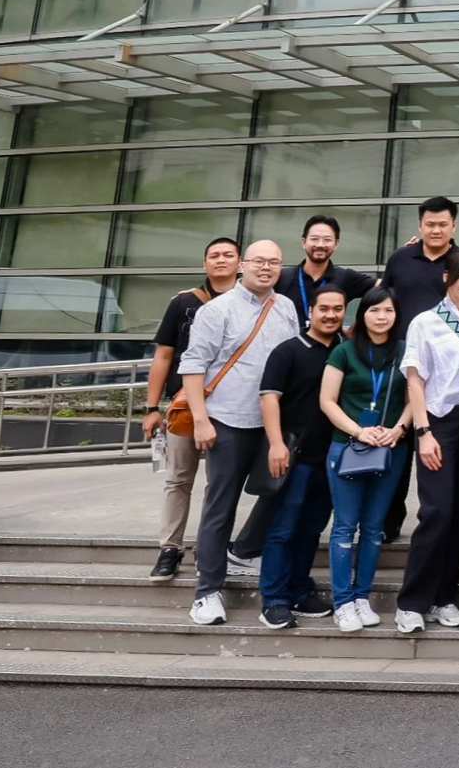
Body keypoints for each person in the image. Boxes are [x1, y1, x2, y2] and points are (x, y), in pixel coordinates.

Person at [178, 239, 299, 625]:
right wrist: (200, 420)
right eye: (259, 261)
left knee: (280, 492)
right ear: (243, 264)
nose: (266, 268)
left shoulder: (287, 307)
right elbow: (193, 365)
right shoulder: (217, 310)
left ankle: (245, 548)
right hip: (227, 421)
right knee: (220, 506)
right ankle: (207, 591)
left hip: (273, 424)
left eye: (274, 263)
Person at [395, 247, 459, 634]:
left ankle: (443, 597)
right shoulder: (426, 322)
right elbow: (415, 379)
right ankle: (411, 601)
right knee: (437, 512)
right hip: (440, 422)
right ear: (446, 278)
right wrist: (423, 431)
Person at [144, 236, 238, 582]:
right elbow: (164, 356)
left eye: (228, 255)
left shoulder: (252, 303)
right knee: (179, 478)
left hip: (231, 407)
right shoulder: (184, 302)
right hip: (184, 405)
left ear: (240, 263)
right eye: (214, 255)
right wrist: (153, 407)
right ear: (204, 264)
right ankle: (170, 548)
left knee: (219, 482)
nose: (221, 260)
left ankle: (208, 546)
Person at [318, 285, 411, 632]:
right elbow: (327, 400)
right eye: (374, 311)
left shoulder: (405, 351)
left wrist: (399, 429)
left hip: (390, 448)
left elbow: (416, 395)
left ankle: (361, 597)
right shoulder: (343, 352)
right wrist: (358, 431)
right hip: (348, 447)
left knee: (373, 530)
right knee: (344, 528)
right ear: (363, 315)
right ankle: (342, 602)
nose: (381, 317)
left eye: (388, 311)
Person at [254, 285, 344, 628]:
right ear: (312, 311)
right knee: (282, 530)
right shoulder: (288, 351)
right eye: (324, 308)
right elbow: (269, 398)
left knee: (311, 530)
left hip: (333, 458)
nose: (331, 314)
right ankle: (274, 599)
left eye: (338, 309)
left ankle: (299, 589)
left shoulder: (345, 350)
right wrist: (276, 444)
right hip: (295, 456)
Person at [275, 214, 375, 326]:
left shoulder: (345, 278)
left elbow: (385, 288)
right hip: (289, 343)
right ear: (303, 242)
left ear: (336, 244)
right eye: (314, 239)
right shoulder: (282, 277)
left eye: (327, 240)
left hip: (332, 343)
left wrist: (361, 325)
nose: (320, 245)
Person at [380, 195, 459, 338]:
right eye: (430, 224)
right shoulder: (399, 258)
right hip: (401, 346)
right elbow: (381, 299)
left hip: (449, 348)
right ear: (419, 226)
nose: (436, 231)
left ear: (453, 226)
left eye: (442, 225)